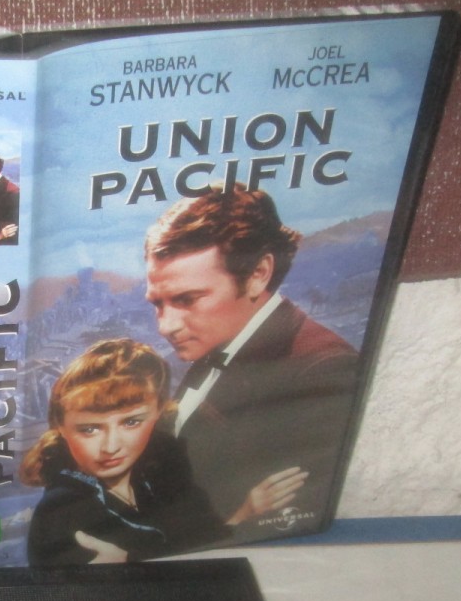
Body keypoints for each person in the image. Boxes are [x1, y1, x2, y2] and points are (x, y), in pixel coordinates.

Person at [143, 184, 358, 535]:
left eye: (187, 300)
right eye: (157, 303)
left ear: (259, 274)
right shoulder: (219, 343)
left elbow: (289, 521)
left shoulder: (324, 369)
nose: (166, 326)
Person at [21, 339, 230, 566]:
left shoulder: (159, 477)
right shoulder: (60, 510)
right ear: (61, 427)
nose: (111, 447)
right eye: (90, 429)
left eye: (131, 422)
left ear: (158, 412)